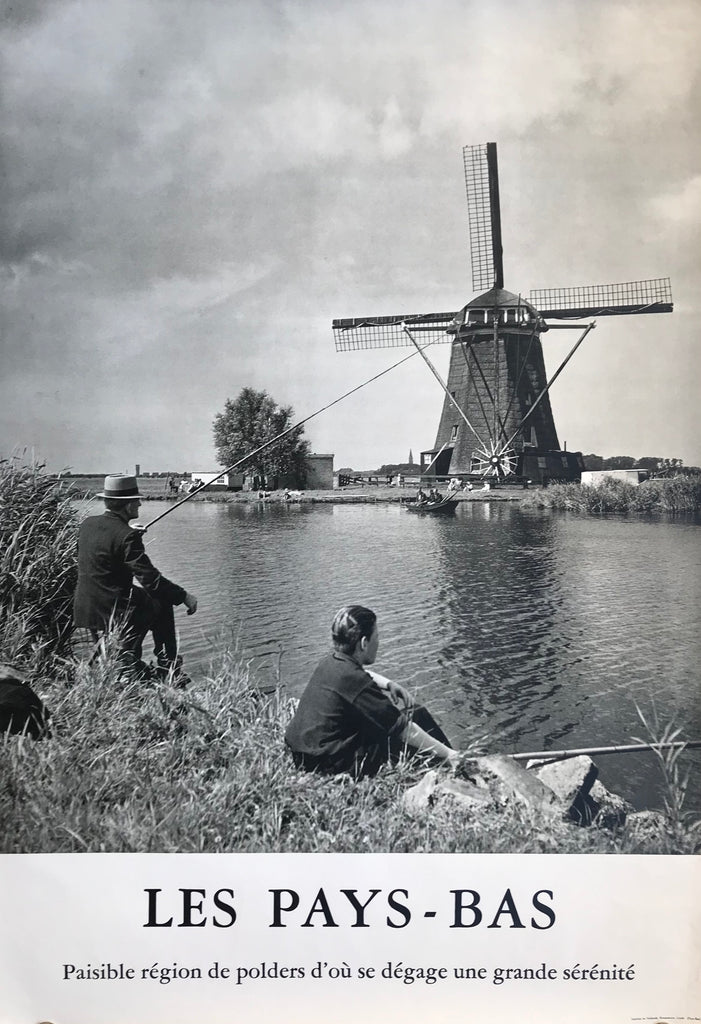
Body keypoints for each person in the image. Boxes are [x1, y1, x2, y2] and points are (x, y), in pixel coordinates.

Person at [285, 605, 459, 778]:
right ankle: (454, 765)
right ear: (363, 643)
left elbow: (362, 674)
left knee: (379, 722)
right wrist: (448, 753)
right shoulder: (356, 681)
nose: (379, 642)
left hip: (304, 756)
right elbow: (404, 729)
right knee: (416, 717)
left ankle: (444, 766)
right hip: (330, 765)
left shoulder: (330, 662)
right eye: (377, 636)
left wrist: (389, 684)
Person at [73, 475, 198, 682]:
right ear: (127, 505)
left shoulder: (88, 524)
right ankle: (168, 668)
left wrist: (127, 533)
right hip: (114, 610)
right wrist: (184, 596)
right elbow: (151, 581)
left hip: (87, 607)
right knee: (163, 598)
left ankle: (134, 665)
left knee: (154, 597)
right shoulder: (126, 536)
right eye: (136, 500)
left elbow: (105, 551)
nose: (140, 503)